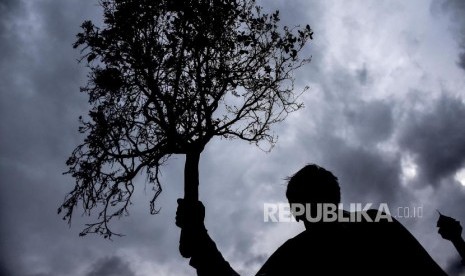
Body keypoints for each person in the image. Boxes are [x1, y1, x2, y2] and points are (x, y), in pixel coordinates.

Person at [176, 164, 447, 275]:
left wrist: (201, 241)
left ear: (296, 211)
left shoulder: (295, 254)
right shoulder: (377, 223)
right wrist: (200, 239)